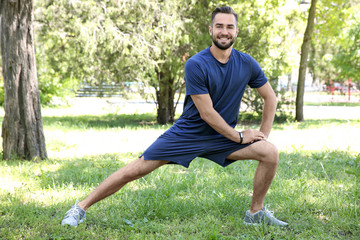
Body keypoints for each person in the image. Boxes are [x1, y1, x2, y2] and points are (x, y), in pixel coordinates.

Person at [61, 6, 288, 227]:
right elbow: (207, 113)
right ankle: (80, 207)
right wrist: (239, 136)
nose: (224, 31)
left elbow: (270, 98)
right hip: (189, 134)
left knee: (269, 152)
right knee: (136, 169)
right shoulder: (196, 64)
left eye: (230, 27)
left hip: (222, 137)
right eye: (219, 26)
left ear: (236, 31)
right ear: (210, 30)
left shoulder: (246, 63)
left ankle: (255, 213)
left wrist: (262, 136)